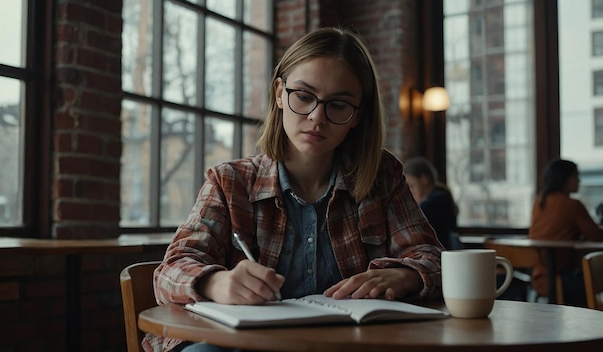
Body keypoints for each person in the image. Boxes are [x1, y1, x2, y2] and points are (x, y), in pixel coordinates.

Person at [143, 27, 444, 352]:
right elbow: (169, 272)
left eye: (339, 105)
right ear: (279, 94)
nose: (317, 118)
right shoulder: (230, 182)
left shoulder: (382, 178)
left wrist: (407, 276)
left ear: (358, 116)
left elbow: (433, 259)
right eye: (303, 96)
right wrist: (217, 282)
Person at [529, 159, 603, 307]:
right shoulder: (572, 204)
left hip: (538, 278)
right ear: (563, 178)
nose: (579, 181)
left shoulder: (540, 202)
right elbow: (596, 237)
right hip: (561, 279)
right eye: (575, 176)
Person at [403, 157, 462, 250]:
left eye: (412, 186)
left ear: (424, 179)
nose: (411, 192)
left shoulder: (438, 200)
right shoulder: (439, 197)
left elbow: (415, 217)